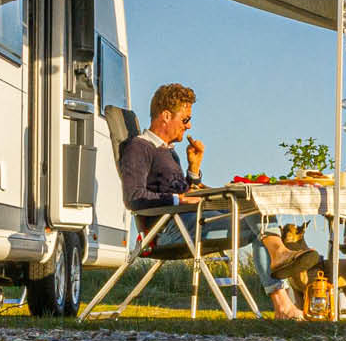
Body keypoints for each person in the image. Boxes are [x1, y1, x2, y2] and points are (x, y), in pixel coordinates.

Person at [117, 83, 317, 319]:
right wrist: (177, 199)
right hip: (166, 231)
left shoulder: (168, 151)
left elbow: (185, 193)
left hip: (190, 221)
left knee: (258, 212)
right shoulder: (139, 148)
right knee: (255, 215)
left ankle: (282, 299)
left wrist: (193, 169)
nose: (189, 125)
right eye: (185, 119)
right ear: (166, 115)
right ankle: (281, 262)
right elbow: (133, 198)